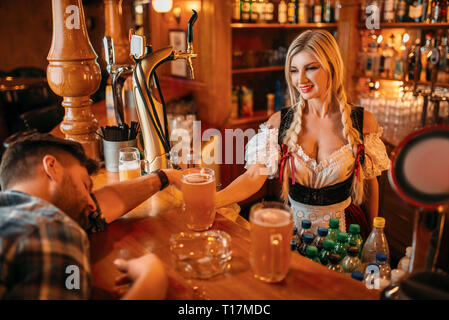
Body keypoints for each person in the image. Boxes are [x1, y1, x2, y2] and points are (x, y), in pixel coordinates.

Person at [216, 30, 390, 239]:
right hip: (295, 232)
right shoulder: (280, 122)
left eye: (311, 68)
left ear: (331, 67)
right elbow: (253, 176)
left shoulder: (362, 121)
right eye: (294, 70)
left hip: (345, 235)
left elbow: (370, 185)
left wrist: (374, 235)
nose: (301, 80)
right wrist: (211, 201)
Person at [0, 133, 181, 299]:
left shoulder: (13, 215)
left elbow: (100, 208)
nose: (92, 204)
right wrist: (152, 278)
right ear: (52, 167)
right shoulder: (49, 226)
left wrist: (166, 176)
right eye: (84, 186)